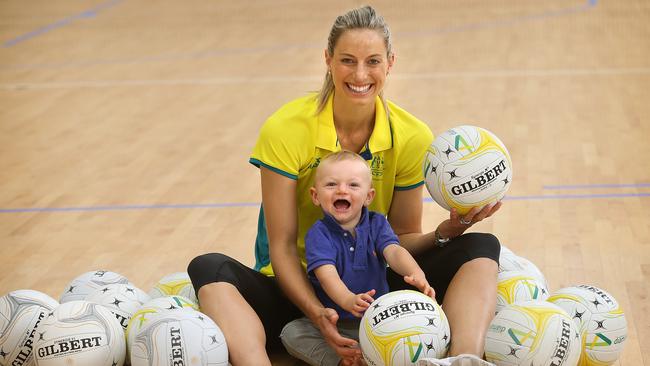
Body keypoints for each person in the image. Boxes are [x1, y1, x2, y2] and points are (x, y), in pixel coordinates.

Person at [187, 5, 501, 366]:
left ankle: (465, 359)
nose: (360, 74)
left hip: (372, 290)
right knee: (208, 267)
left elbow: (401, 237)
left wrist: (446, 233)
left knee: (481, 245)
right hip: (295, 290)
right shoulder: (287, 128)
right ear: (328, 60)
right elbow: (283, 247)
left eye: (373, 61)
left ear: (390, 63)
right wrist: (319, 311)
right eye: (348, 60)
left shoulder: (412, 136)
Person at [280, 151, 435, 365]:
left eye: (353, 185)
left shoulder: (377, 223)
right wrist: (347, 300)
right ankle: (345, 360)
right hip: (337, 324)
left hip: (380, 320)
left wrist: (416, 273)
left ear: (368, 196)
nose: (342, 190)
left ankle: (381, 353)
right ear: (315, 196)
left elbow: (394, 252)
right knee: (292, 333)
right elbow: (327, 276)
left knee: (416, 322)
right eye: (331, 184)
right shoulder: (318, 234)